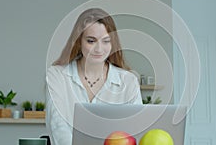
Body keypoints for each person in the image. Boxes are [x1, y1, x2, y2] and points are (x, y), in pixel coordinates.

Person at [46, 8, 143, 145]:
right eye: (91, 41)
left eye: (106, 41)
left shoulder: (128, 81)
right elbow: (58, 126)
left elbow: (135, 129)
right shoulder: (57, 76)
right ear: (79, 41)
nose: (99, 49)